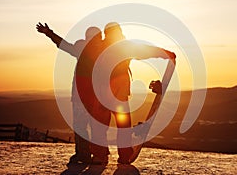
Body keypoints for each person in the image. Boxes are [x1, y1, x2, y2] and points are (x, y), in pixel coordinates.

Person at [84, 22, 176, 164]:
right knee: (119, 126)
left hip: (105, 93)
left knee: (102, 126)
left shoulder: (106, 46)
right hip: (114, 93)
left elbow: (145, 51)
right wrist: (165, 53)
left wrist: (165, 53)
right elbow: (145, 51)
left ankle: (102, 155)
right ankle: (120, 155)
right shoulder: (122, 46)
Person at [36, 22, 102, 164]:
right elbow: (64, 45)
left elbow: (64, 45)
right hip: (94, 96)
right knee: (93, 127)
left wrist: (49, 33)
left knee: (81, 126)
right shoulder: (103, 50)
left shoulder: (82, 48)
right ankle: (96, 155)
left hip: (83, 95)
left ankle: (85, 154)